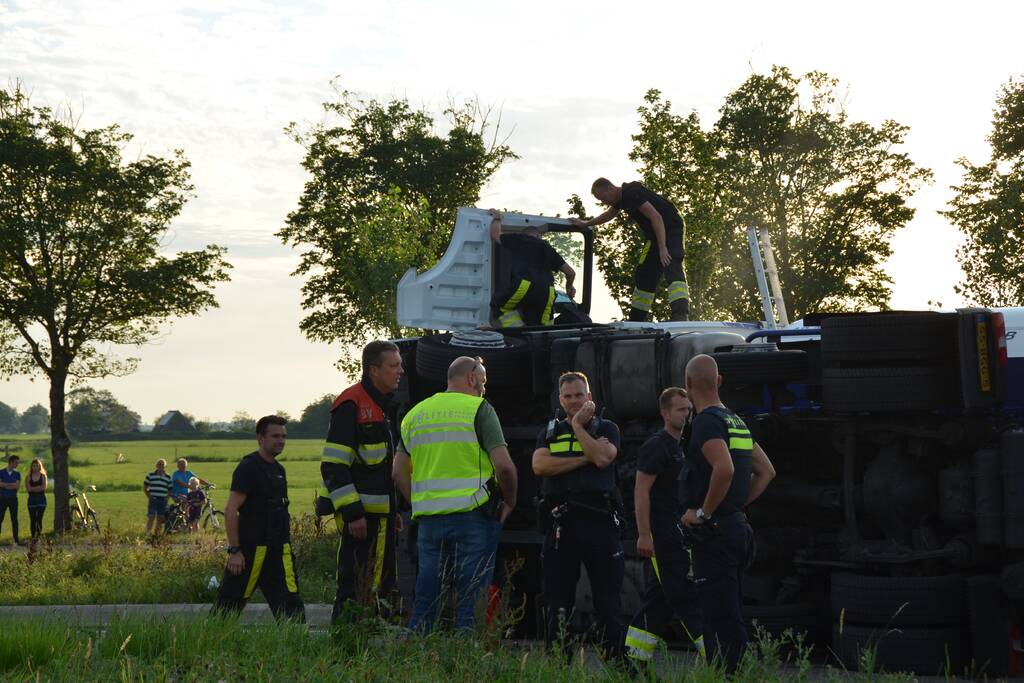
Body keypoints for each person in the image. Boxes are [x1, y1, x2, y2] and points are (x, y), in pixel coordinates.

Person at [393, 356, 518, 632]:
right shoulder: (479, 409)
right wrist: (510, 500)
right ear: (472, 378)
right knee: (471, 593)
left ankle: (419, 652)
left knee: (427, 591)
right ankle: (466, 656)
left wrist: (419, 503)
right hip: (473, 517)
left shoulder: (415, 414)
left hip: (428, 520)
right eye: (483, 381)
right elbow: (505, 467)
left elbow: (398, 473)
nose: (484, 388)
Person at [681, 354, 776, 674]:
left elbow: (724, 468)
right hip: (737, 529)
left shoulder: (706, 423)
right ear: (719, 382)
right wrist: (735, 506)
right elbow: (766, 472)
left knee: (719, 618)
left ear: (688, 384)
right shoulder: (736, 421)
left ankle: (729, 675)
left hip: (716, 535)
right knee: (731, 610)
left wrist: (706, 513)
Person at [533, 372, 624, 661]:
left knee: (608, 601)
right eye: (568, 396)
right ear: (560, 399)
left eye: (579, 395)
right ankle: (558, 664)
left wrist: (578, 427)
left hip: (599, 523)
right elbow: (539, 465)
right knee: (558, 602)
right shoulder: (549, 431)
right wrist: (585, 457)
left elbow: (602, 458)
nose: (574, 401)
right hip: (562, 524)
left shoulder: (607, 427)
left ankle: (616, 662)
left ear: (589, 396)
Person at [317, 340, 404, 624]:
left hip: (382, 519)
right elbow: (334, 465)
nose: (400, 371)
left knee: (380, 584)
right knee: (355, 585)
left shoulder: (385, 405)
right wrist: (353, 513)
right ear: (373, 370)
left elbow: (385, 468)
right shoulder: (351, 403)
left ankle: (370, 640)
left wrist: (394, 510)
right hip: (361, 521)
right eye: (393, 366)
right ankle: (347, 640)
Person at [625, 388, 704, 665]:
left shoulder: (683, 445)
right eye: (681, 410)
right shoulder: (656, 446)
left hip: (680, 534)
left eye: (689, 410)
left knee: (658, 602)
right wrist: (645, 534)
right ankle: (718, 657)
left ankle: (633, 662)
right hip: (663, 536)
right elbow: (641, 490)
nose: (687, 414)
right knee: (686, 595)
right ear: (664, 413)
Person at [214, 416, 305, 622]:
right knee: (227, 608)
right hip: (251, 552)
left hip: (279, 552)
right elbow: (230, 510)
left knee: (291, 605)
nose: (280, 440)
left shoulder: (279, 470)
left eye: (283, 436)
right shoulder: (248, 468)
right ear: (260, 438)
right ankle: (209, 646)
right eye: (275, 436)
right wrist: (235, 551)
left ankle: (297, 647)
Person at [571, 178, 689, 321]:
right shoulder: (621, 199)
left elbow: (656, 218)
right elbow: (609, 214)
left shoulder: (632, 194)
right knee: (644, 272)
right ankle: (636, 320)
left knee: (670, 263)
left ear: (610, 189)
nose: (604, 202)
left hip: (671, 228)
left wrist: (663, 248)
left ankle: (680, 314)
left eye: (604, 198)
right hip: (654, 235)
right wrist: (587, 223)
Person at [488, 209, 576, 327]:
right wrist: (569, 287)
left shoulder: (519, 239)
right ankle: (543, 340)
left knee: (500, 306)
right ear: (539, 235)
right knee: (544, 321)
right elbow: (570, 273)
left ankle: (519, 332)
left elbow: (495, 235)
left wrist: (498, 218)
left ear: (524, 234)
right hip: (548, 290)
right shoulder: (548, 249)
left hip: (524, 285)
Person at [144, 458, 172, 534]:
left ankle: (157, 535)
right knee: (151, 517)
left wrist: (167, 498)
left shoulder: (168, 477)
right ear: (156, 465)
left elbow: (170, 489)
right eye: (159, 464)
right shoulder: (150, 475)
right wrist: (149, 496)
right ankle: (147, 533)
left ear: (165, 466)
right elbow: (145, 487)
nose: (161, 466)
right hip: (153, 500)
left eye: (162, 465)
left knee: (160, 518)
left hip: (163, 500)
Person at [0, 455, 21, 545]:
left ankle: (16, 540)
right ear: (11, 462)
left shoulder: (17, 474)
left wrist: (5, 485)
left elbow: (17, 486)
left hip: (13, 499)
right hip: (2, 499)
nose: (17, 464)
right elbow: (0, 485)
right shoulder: (1, 472)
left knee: (14, 519)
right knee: (0, 518)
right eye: (16, 463)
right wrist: (10, 485)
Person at [25, 459, 48, 540]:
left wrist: (33, 488)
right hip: (31, 500)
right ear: (31, 467)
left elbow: (44, 488)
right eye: (34, 465)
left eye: (37, 465)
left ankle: (38, 536)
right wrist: (38, 488)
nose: (35, 467)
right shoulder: (28, 477)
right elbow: (28, 489)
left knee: (39, 519)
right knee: (32, 519)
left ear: (39, 466)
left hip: (41, 500)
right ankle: (32, 536)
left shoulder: (43, 476)